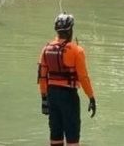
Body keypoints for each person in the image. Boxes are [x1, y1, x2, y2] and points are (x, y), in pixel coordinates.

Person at [39, 13, 96, 146]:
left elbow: (42, 77)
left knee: (55, 136)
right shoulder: (77, 50)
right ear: (70, 30)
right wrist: (91, 97)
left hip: (51, 95)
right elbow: (83, 77)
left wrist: (44, 99)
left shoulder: (46, 50)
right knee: (72, 137)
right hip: (69, 96)